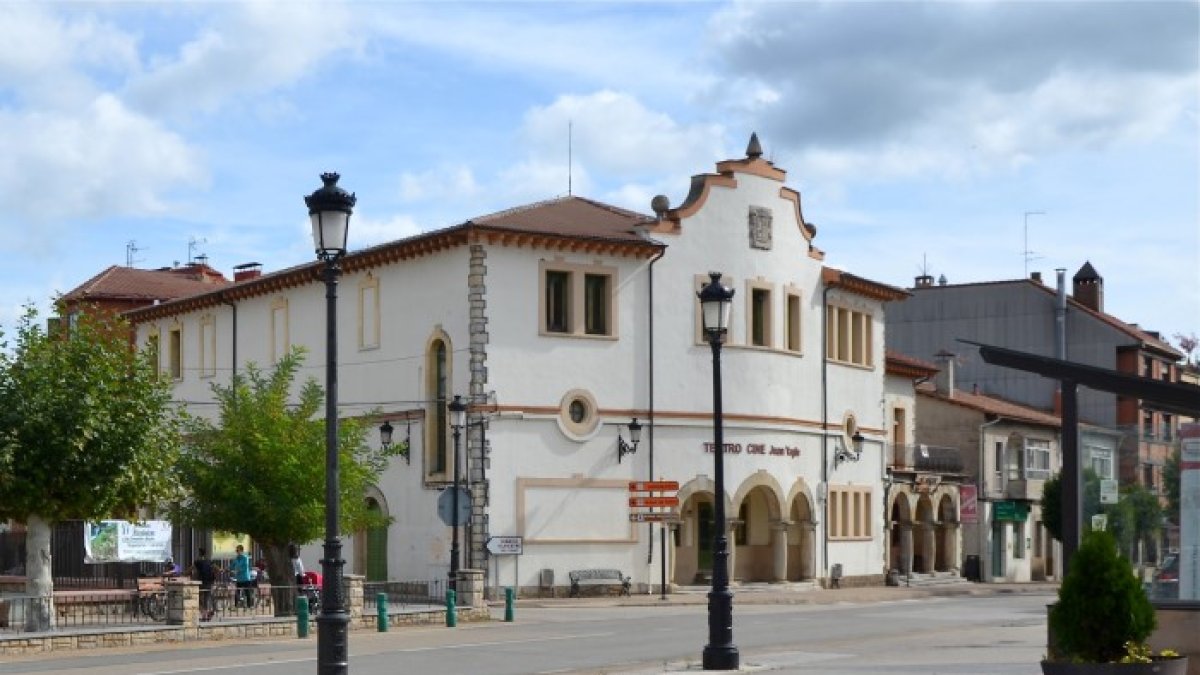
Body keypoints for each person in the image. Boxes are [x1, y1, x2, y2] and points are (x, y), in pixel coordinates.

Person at [191, 548, 216, 621]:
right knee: (207, 598)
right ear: (205, 554)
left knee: (198, 599)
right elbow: (217, 569)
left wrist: (183, 573)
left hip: (201, 582)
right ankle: (208, 612)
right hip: (209, 582)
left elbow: (191, 569)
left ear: (199, 553)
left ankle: (204, 614)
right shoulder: (209, 561)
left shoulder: (197, 562)